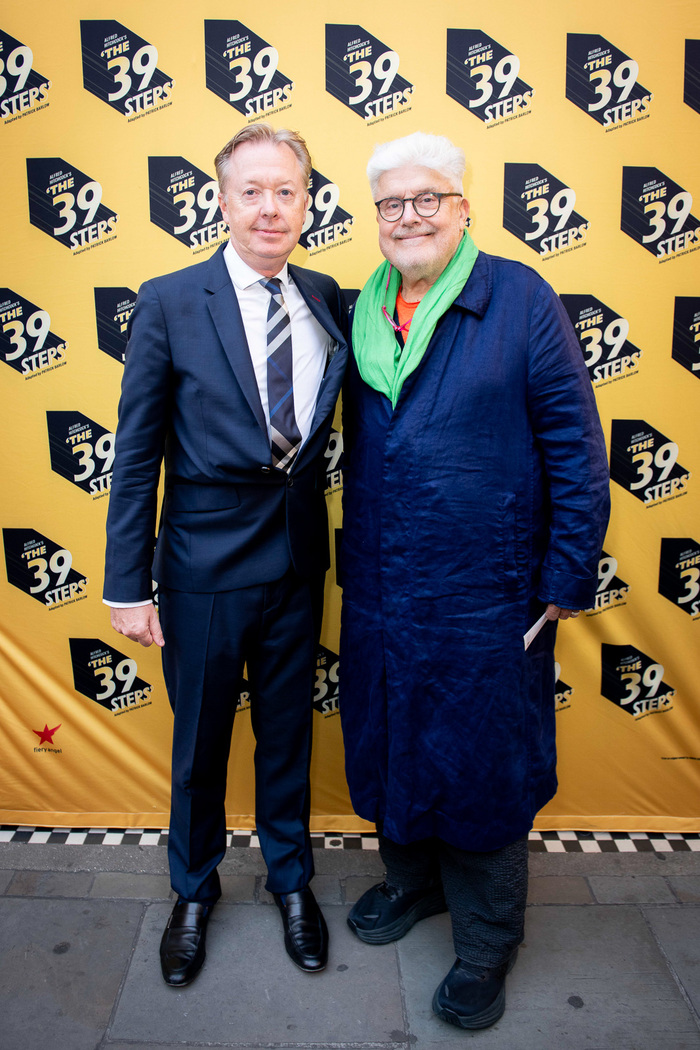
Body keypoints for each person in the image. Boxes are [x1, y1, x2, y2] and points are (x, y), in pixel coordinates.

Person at [339, 132, 610, 1031]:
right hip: (384, 587)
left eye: (428, 200)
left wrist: (565, 579)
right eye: (392, 204)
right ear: (376, 219)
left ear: (463, 208)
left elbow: (576, 450)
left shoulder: (521, 299)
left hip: (487, 594)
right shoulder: (364, 311)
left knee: (484, 766)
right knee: (392, 743)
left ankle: (490, 940)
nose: (409, 217)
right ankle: (415, 885)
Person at [103, 123, 347, 986]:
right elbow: (135, 454)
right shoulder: (170, 299)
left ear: (308, 201)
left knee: (286, 738)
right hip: (201, 569)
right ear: (223, 198)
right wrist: (126, 586)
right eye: (253, 191)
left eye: (287, 190)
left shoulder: (327, 295)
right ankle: (194, 890)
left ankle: (290, 883)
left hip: (296, 561)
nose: (271, 207)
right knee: (201, 745)